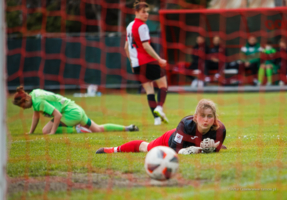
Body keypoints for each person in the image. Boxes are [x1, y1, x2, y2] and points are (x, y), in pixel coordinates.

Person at [96, 99, 226, 155]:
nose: (206, 119)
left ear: (214, 118)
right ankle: (113, 149)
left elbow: (214, 151)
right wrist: (198, 149)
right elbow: (175, 150)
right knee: (145, 148)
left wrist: (212, 148)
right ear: (195, 117)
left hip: (190, 144)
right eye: (202, 116)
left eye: (209, 116)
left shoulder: (220, 129)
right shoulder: (185, 124)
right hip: (169, 140)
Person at [12, 86, 139, 135]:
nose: (23, 108)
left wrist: (52, 133)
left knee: (46, 130)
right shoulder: (35, 93)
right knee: (98, 129)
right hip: (76, 109)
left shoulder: (38, 101)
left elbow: (57, 115)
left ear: (25, 99)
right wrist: (31, 132)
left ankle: (77, 129)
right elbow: (36, 116)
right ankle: (128, 128)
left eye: (22, 106)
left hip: (70, 114)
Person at [124, 1, 168, 126]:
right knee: (163, 84)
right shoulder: (142, 26)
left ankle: (157, 119)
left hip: (137, 65)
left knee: (149, 90)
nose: (146, 14)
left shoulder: (129, 26)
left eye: (147, 11)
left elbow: (126, 47)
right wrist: (159, 58)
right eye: (143, 11)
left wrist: (132, 63)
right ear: (136, 12)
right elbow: (146, 45)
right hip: (147, 62)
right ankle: (159, 108)